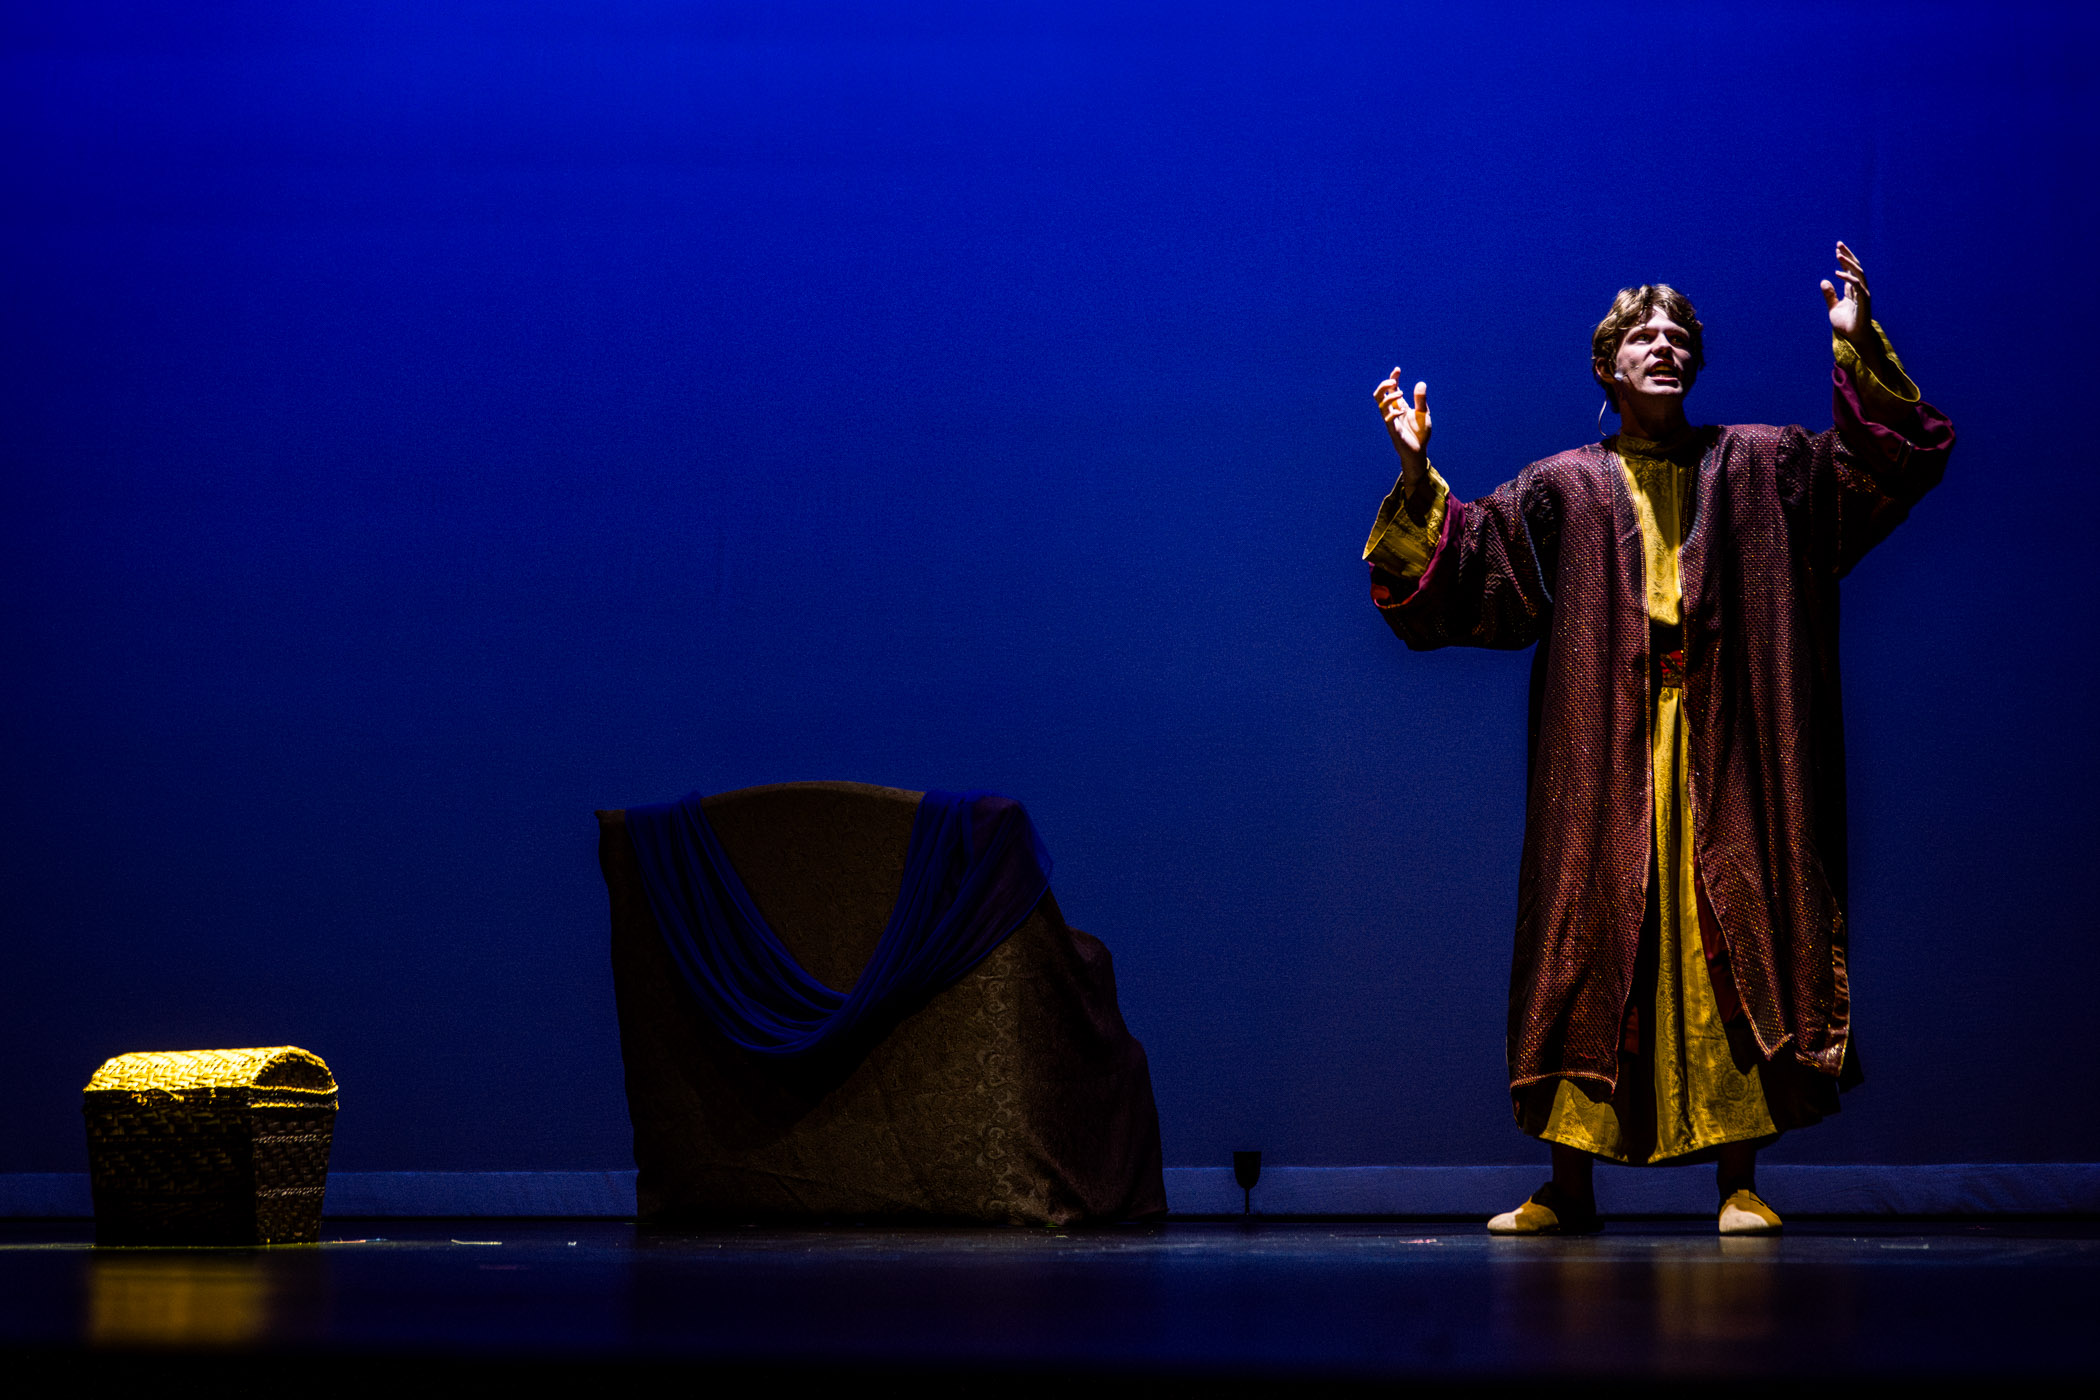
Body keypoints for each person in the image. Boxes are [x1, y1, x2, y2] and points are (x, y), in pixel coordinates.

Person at [1363, 244, 1954, 1235]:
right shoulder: (1564, 484)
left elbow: (1886, 464)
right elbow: (1467, 573)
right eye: (1644, 336)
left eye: (1681, 337)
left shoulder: (1764, 463)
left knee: (1734, 934)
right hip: (1603, 749)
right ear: (1606, 367)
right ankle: (1568, 1183)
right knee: (1587, 942)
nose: (1666, 347)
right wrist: (1421, 474)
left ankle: (1736, 1180)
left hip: (1729, 743)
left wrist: (1857, 350)